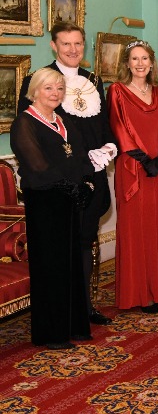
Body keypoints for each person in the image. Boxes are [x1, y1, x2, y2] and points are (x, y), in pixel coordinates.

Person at [17, 21, 117, 326]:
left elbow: (102, 124)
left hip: (91, 176)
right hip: (57, 183)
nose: (73, 50)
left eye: (78, 43)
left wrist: (109, 146)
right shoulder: (39, 79)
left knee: (84, 241)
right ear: (54, 46)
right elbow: (32, 131)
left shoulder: (93, 79)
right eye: (66, 44)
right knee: (62, 247)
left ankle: (83, 308)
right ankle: (63, 313)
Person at [11, 68, 95, 348]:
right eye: (48, 88)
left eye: (59, 88)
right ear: (35, 92)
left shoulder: (63, 120)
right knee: (51, 266)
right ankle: (52, 333)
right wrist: (69, 186)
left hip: (69, 201)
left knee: (70, 263)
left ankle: (73, 326)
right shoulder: (24, 122)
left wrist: (86, 183)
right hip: (45, 202)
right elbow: (37, 165)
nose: (55, 93)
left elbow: (80, 156)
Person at [109, 40, 158, 313]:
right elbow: (118, 127)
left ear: (151, 62)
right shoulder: (117, 91)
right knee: (134, 229)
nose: (139, 63)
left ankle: (154, 290)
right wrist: (143, 160)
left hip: (155, 170)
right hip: (132, 169)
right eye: (134, 58)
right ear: (126, 63)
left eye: (144, 58)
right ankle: (136, 294)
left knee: (154, 228)